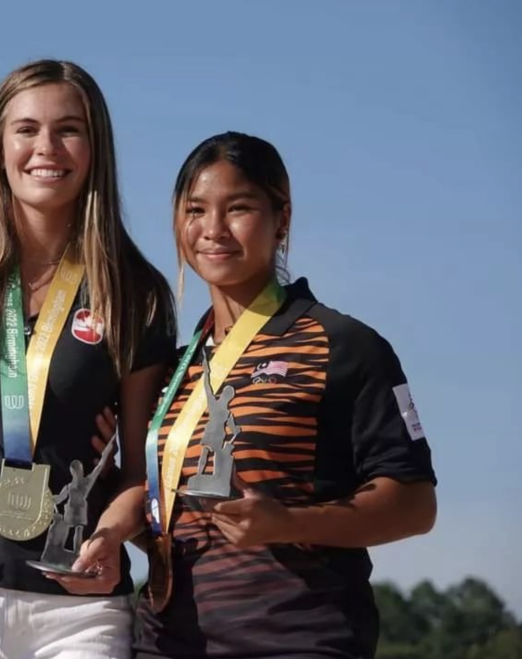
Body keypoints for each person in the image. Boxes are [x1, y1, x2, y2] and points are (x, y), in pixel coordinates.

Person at [0, 59, 175, 659]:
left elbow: (142, 472)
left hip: (78, 609)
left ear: (96, 147)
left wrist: (110, 535)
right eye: (26, 129)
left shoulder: (136, 291)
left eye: (69, 129)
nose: (47, 147)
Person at [133, 131, 437, 659]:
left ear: (283, 218)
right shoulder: (174, 368)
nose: (213, 230)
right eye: (195, 210)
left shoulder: (343, 345)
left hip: (295, 636)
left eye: (239, 208)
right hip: (165, 641)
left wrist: (290, 523)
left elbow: (414, 504)